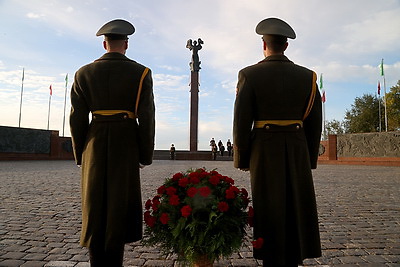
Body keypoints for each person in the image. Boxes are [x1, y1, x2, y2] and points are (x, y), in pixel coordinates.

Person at [233, 18, 322, 266]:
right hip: (297, 148)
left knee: (268, 204)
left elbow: (241, 121)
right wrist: (310, 159)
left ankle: (270, 256)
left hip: (263, 148)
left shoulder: (249, 74)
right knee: (296, 203)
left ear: (264, 44)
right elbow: (315, 124)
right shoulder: (308, 77)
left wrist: (242, 158)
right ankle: (294, 256)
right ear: (286, 45)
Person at [70, 19, 155, 267]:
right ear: (126, 44)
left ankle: (96, 261)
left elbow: (76, 118)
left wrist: (80, 155)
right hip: (126, 142)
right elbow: (147, 118)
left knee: (94, 204)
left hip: (94, 143)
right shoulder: (141, 73)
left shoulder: (83, 73)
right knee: (119, 202)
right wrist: (144, 155)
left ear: (104, 43)